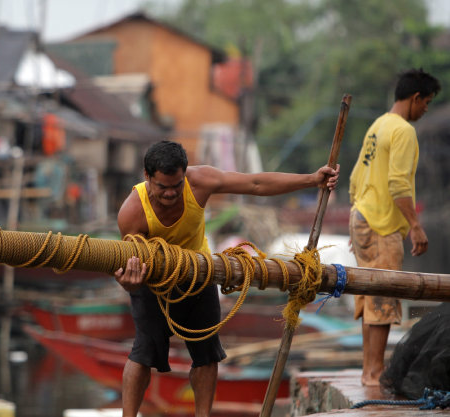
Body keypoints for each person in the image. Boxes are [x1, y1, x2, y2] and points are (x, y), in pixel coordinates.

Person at [114, 140, 340, 416]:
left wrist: (311, 179)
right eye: (163, 187)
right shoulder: (132, 212)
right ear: (147, 177)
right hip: (154, 281)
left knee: (207, 354)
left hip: (200, 272)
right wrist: (129, 282)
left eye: (177, 185)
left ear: (186, 174)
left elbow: (255, 184)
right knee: (143, 352)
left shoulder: (199, 181)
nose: (171, 194)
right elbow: (129, 271)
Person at [348, 68, 441, 387]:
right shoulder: (402, 130)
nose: (426, 109)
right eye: (426, 102)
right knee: (384, 297)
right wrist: (415, 226)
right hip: (382, 223)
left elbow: (355, 179)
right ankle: (374, 372)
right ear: (415, 98)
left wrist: (357, 221)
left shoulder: (377, 125)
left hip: (363, 216)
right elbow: (398, 184)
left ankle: (368, 370)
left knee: (369, 295)